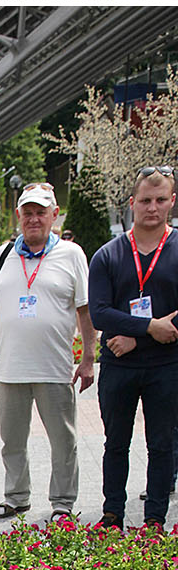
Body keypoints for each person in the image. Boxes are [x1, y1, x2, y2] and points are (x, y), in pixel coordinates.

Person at [0, 186, 93, 525]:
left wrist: (88, 359)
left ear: (54, 214)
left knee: (63, 440)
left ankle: (62, 502)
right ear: (19, 216)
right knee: (11, 440)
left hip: (54, 367)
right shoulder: (3, 255)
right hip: (10, 368)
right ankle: (16, 497)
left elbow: (85, 310)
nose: (33, 218)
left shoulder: (72, 254)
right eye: (27, 212)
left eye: (40, 212)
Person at [88, 165, 178, 533]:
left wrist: (138, 335)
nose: (152, 208)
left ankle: (155, 519)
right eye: (145, 200)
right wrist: (151, 327)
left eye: (160, 200)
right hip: (119, 364)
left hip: (166, 365)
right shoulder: (108, 255)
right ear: (132, 203)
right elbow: (99, 312)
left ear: (172, 202)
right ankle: (112, 515)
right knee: (116, 444)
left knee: (161, 444)